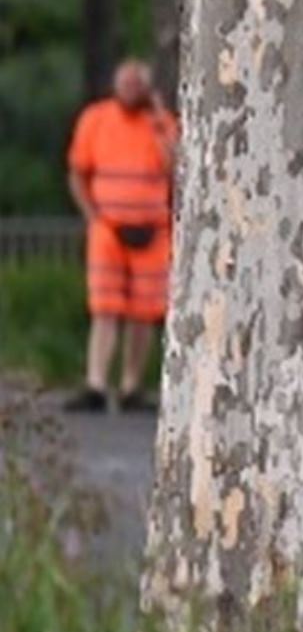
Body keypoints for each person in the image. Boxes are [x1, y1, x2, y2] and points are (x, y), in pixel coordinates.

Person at [64, 59, 177, 412]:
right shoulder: (96, 119)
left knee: (144, 311)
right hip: (108, 228)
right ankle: (96, 383)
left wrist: (160, 121)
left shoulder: (162, 124)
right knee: (105, 308)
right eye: (125, 83)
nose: (131, 90)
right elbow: (78, 172)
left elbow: (177, 167)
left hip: (153, 229)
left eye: (137, 84)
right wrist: (91, 216)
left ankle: (131, 386)